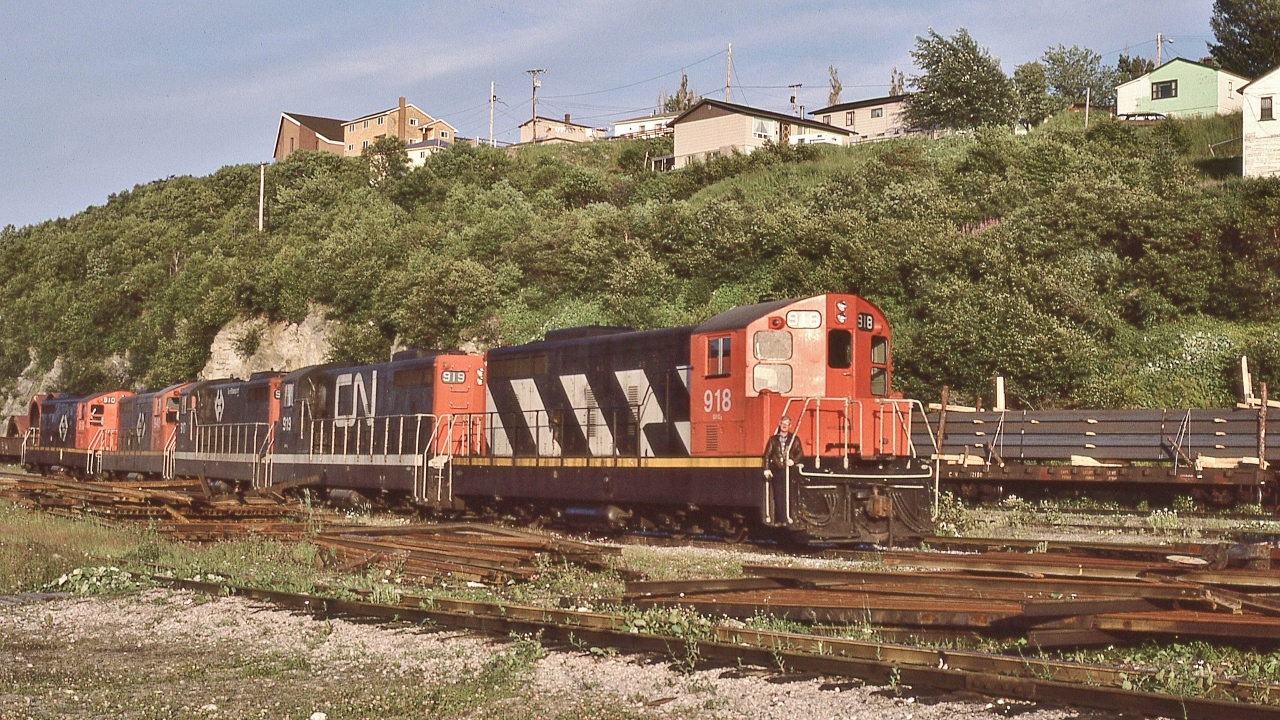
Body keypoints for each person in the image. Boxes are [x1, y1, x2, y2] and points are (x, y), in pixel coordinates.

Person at [762, 416, 803, 523]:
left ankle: (789, 516)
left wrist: (793, 461)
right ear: (780, 424)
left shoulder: (794, 439)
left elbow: (800, 453)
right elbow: (767, 455)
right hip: (777, 470)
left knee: (789, 494)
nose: (784, 426)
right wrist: (766, 469)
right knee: (779, 494)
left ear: (790, 426)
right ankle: (780, 519)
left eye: (787, 424)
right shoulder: (773, 440)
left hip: (789, 471)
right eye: (782, 423)